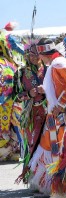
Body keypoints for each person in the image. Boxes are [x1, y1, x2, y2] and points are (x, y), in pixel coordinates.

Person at [28, 37, 66, 195]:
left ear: (45, 53)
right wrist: (46, 89)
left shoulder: (58, 64)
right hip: (57, 115)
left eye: (40, 55)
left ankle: (59, 186)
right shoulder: (56, 64)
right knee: (52, 148)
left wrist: (60, 105)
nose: (39, 58)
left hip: (60, 115)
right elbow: (61, 85)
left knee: (56, 149)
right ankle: (54, 185)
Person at [14, 39, 47, 186]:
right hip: (31, 115)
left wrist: (45, 91)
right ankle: (33, 178)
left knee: (49, 144)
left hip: (49, 113)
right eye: (29, 54)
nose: (32, 57)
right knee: (33, 143)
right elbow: (15, 96)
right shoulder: (21, 73)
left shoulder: (49, 69)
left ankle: (48, 179)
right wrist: (29, 94)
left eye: (36, 54)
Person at [0, 32, 20, 161]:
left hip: (6, 102)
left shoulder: (7, 64)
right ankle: (11, 151)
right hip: (12, 102)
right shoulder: (12, 64)